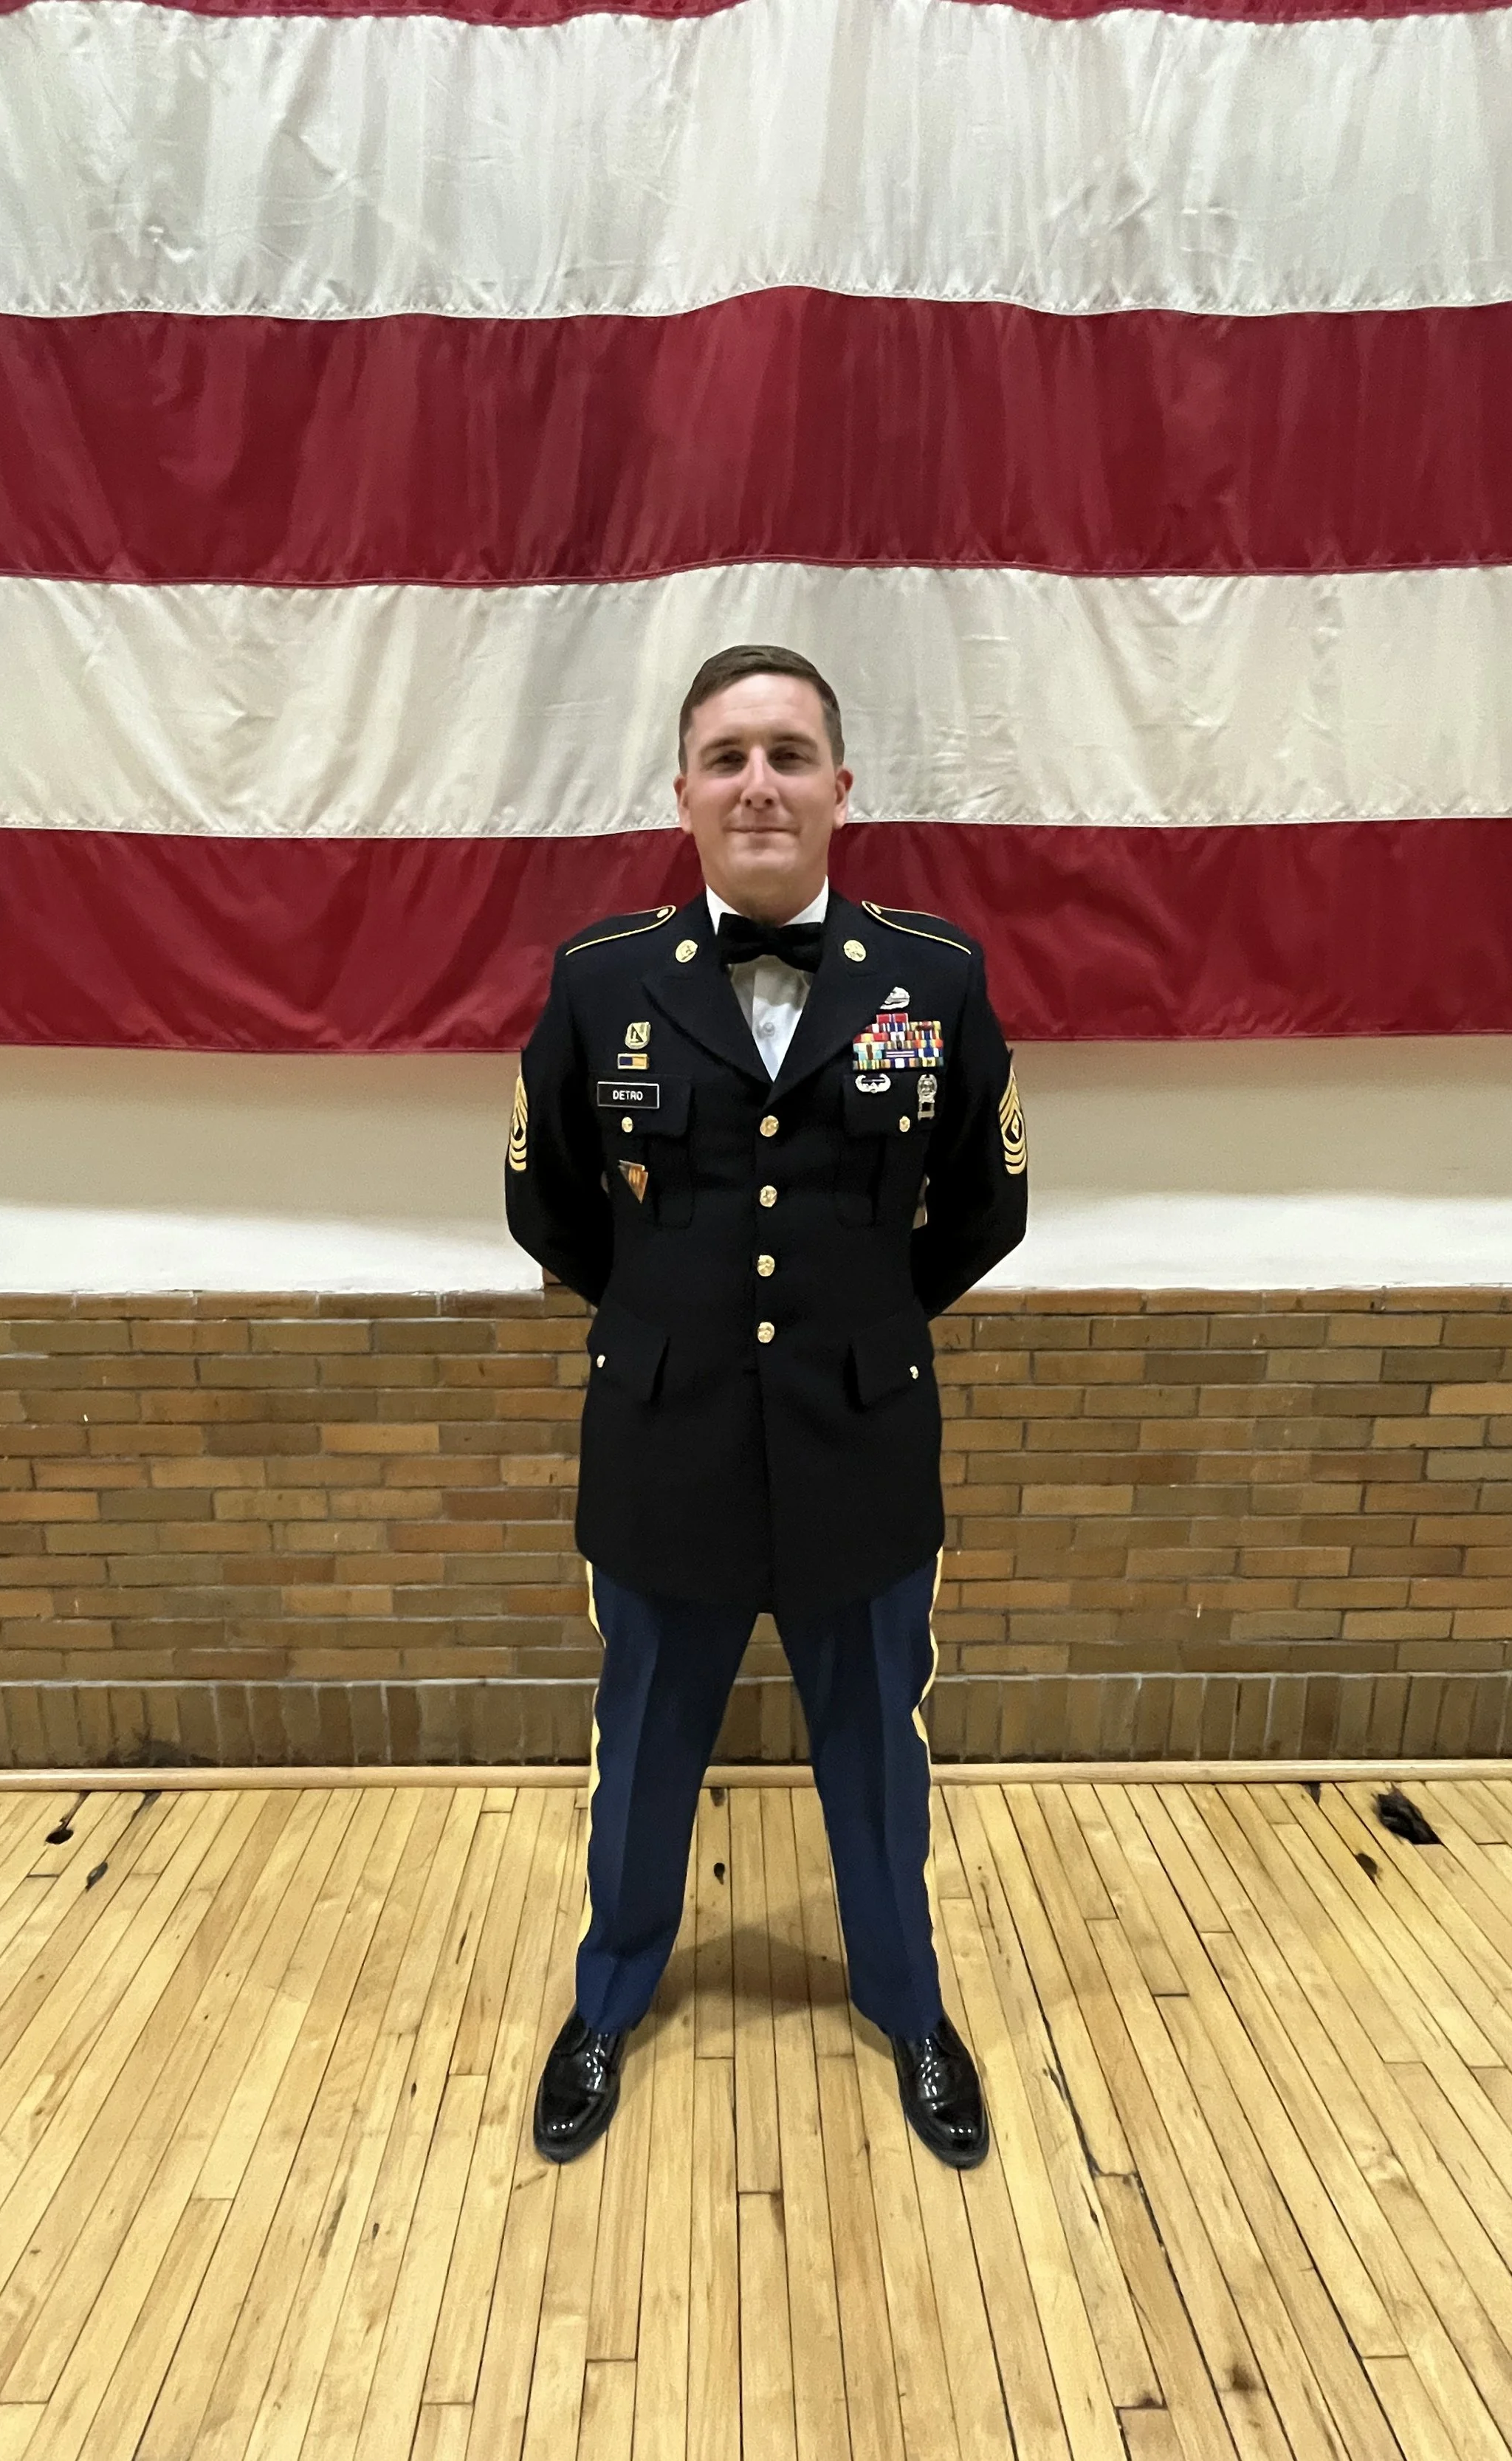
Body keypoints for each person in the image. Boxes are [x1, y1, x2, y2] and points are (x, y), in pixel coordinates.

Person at [505, 643, 1028, 2167]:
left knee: (876, 1749)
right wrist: (672, 1324)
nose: (757, 783)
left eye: (788, 754)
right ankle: (605, 2003)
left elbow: (981, 1205)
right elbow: (552, 1202)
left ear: (840, 790)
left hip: (859, 1441)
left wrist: (858, 1324)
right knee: (643, 1749)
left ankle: (909, 2009)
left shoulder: (934, 979)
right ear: (679, 792)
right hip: (663, 1441)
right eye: (725, 756)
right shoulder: (601, 983)